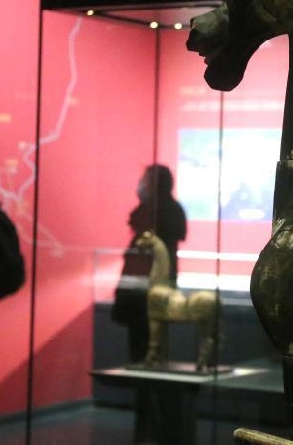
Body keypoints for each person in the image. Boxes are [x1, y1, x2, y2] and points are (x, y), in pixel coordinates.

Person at [120, 164, 187, 444]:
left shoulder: (157, 213)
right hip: (146, 295)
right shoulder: (167, 211)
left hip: (145, 297)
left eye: (145, 180)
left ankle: (152, 429)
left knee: (147, 361)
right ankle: (155, 428)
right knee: (150, 359)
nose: (140, 184)